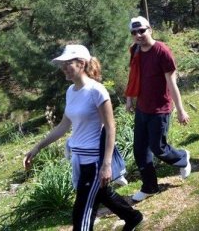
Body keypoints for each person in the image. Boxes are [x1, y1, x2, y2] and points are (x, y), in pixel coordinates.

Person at [23, 45, 143, 231]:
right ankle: (133, 217)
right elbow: (63, 126)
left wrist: (106, 164)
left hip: (95, 162)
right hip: (79, 159)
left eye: (67, 63)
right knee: (102, 194)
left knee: (81, 213)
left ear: (81, 63)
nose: (63, 67)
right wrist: (38, 147)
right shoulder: (71, 91)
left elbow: (110, 128)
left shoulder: (97, 91)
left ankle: (131, 217)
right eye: (62, 64)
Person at [125, 16, 191, 202]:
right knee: (139, 150)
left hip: (160, 108)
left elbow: (172, 83)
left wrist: (180, 109)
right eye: (134, 32)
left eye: (141, 31)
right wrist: (130, 99)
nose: (138, 35)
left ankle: (183, 157)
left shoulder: (162, 51)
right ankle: (150, 187)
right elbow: (133, 75)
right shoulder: (135, 50)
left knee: (158, 148)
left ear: (150, 29)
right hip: (142, 108)